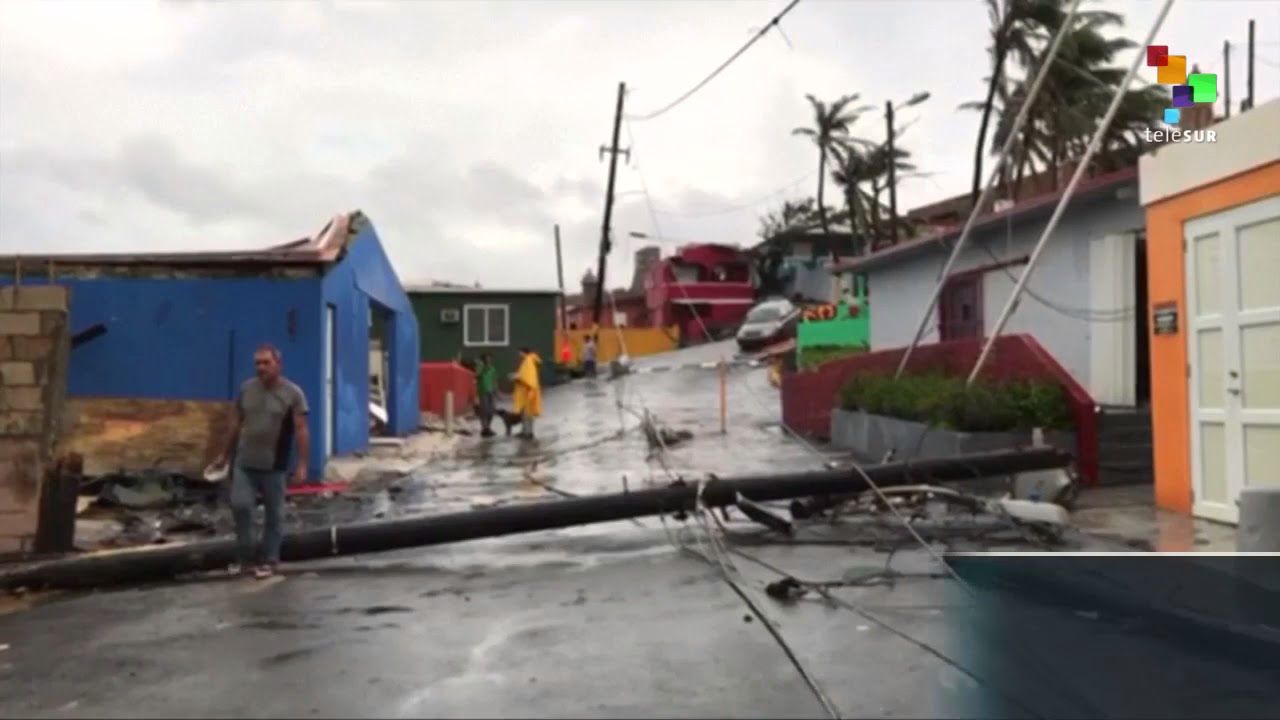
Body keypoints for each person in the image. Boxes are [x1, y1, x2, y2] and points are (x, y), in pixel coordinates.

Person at [211, 343, 310, 579]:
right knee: (241, 506)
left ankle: (269, 560)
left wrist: (303, 465)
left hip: (274, 465)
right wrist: (224, 455)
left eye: (266, 362)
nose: (261, 367)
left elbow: (301, 430)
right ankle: (245, 559)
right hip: (244, 462)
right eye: (257, 363)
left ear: (278, 364)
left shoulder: (293, 394)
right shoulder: (247, 390)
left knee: (274, 515)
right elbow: (235, 424)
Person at [510, 346, 543, 439]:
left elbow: (527, 379)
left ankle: (528, 432)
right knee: (526, 413)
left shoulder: (528, 361)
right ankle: (526, 431)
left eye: (519, 352)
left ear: (523, 352)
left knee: (527, 413)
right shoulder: (529, 361)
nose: (518, 355)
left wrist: (516, 378)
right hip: (528, 391)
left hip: (527, 392)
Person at [473, 353, 498, 438]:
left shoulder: (493, 369)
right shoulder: (480, 368)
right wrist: (481, 366)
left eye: (489, 359)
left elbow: (494, 380)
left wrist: (496, 391)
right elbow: (476, 375)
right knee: (484, 410)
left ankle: (488, 427)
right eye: (487, 359)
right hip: (482, 391)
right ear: (483, 360)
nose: (488, 361)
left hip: (491, 392)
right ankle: (485, 429)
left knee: (491, 410)